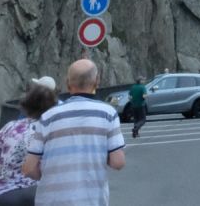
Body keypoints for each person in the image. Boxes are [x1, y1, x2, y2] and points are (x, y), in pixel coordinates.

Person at [23, 59, 125, 206]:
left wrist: (49, 176)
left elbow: (28, 168)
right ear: (97, 81)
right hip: (92, 200)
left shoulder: (47, 117)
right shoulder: (108, 113)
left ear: (67, 83)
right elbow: (118, 162)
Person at [0, 83, 55, 206]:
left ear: (26, 105)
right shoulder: (53, 131)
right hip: (38, 196)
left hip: (4, 197)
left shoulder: (9, 128)